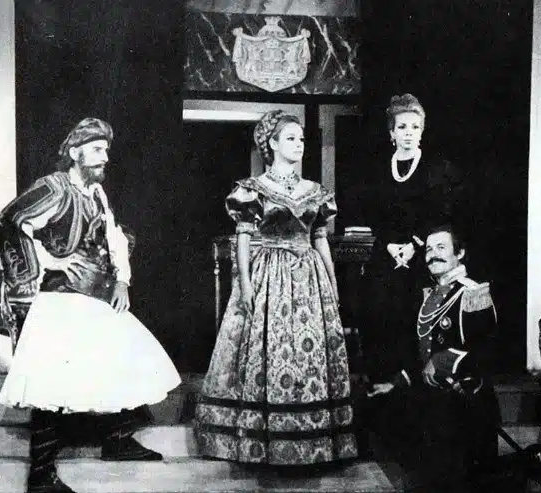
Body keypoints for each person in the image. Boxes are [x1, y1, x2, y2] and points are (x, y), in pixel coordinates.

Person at [0, 118, 181, 493]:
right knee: (52, 381)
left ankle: (118, 441)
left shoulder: (97, 193)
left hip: (97, 295)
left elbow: (114, 236)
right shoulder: (54, 187)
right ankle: (41, 475)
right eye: (97, 150)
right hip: (62, 298)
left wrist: (123, 280)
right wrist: (50, 260)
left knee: (127, 357)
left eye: (106, 150)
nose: (105, 157)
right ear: (74, 152)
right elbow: (12, 221)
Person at [194, 110, 357, 466]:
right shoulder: (253, 189)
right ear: (272, 143)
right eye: (291, 138)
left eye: (302, 139)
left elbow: (319, 237)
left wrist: (332, 281)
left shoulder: (314, 191)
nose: (299, 145)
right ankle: (263, 437)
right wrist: (245, 283)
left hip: (309, 276)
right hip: (268, 273)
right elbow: (243, 237)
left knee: (308, 353)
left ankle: (311, 436)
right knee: (268, 347)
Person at [367, 223, 499, 491]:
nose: (433, 255)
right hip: (432, 393)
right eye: (428, 249)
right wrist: (398, 381)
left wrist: (443, 361)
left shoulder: (473, 293)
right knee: (383, 406)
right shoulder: (429, 295)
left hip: (465, 395)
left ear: (459, 253)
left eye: (441, 247)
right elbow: (421, 352)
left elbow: (487, 349)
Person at [360, 93, 469, 389]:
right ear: (392, 133)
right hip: (387, 252)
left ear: (422, 131)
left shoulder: (437, 168)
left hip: (422, 253)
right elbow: (373, 212)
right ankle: (382, 382)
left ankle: (412, 383)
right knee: (378, 310)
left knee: (414, 312)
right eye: (402, 127)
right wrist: (388, 245)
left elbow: (440, 214)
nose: (408, 133)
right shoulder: (378, 169)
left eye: (414, 127)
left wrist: (414, 245)